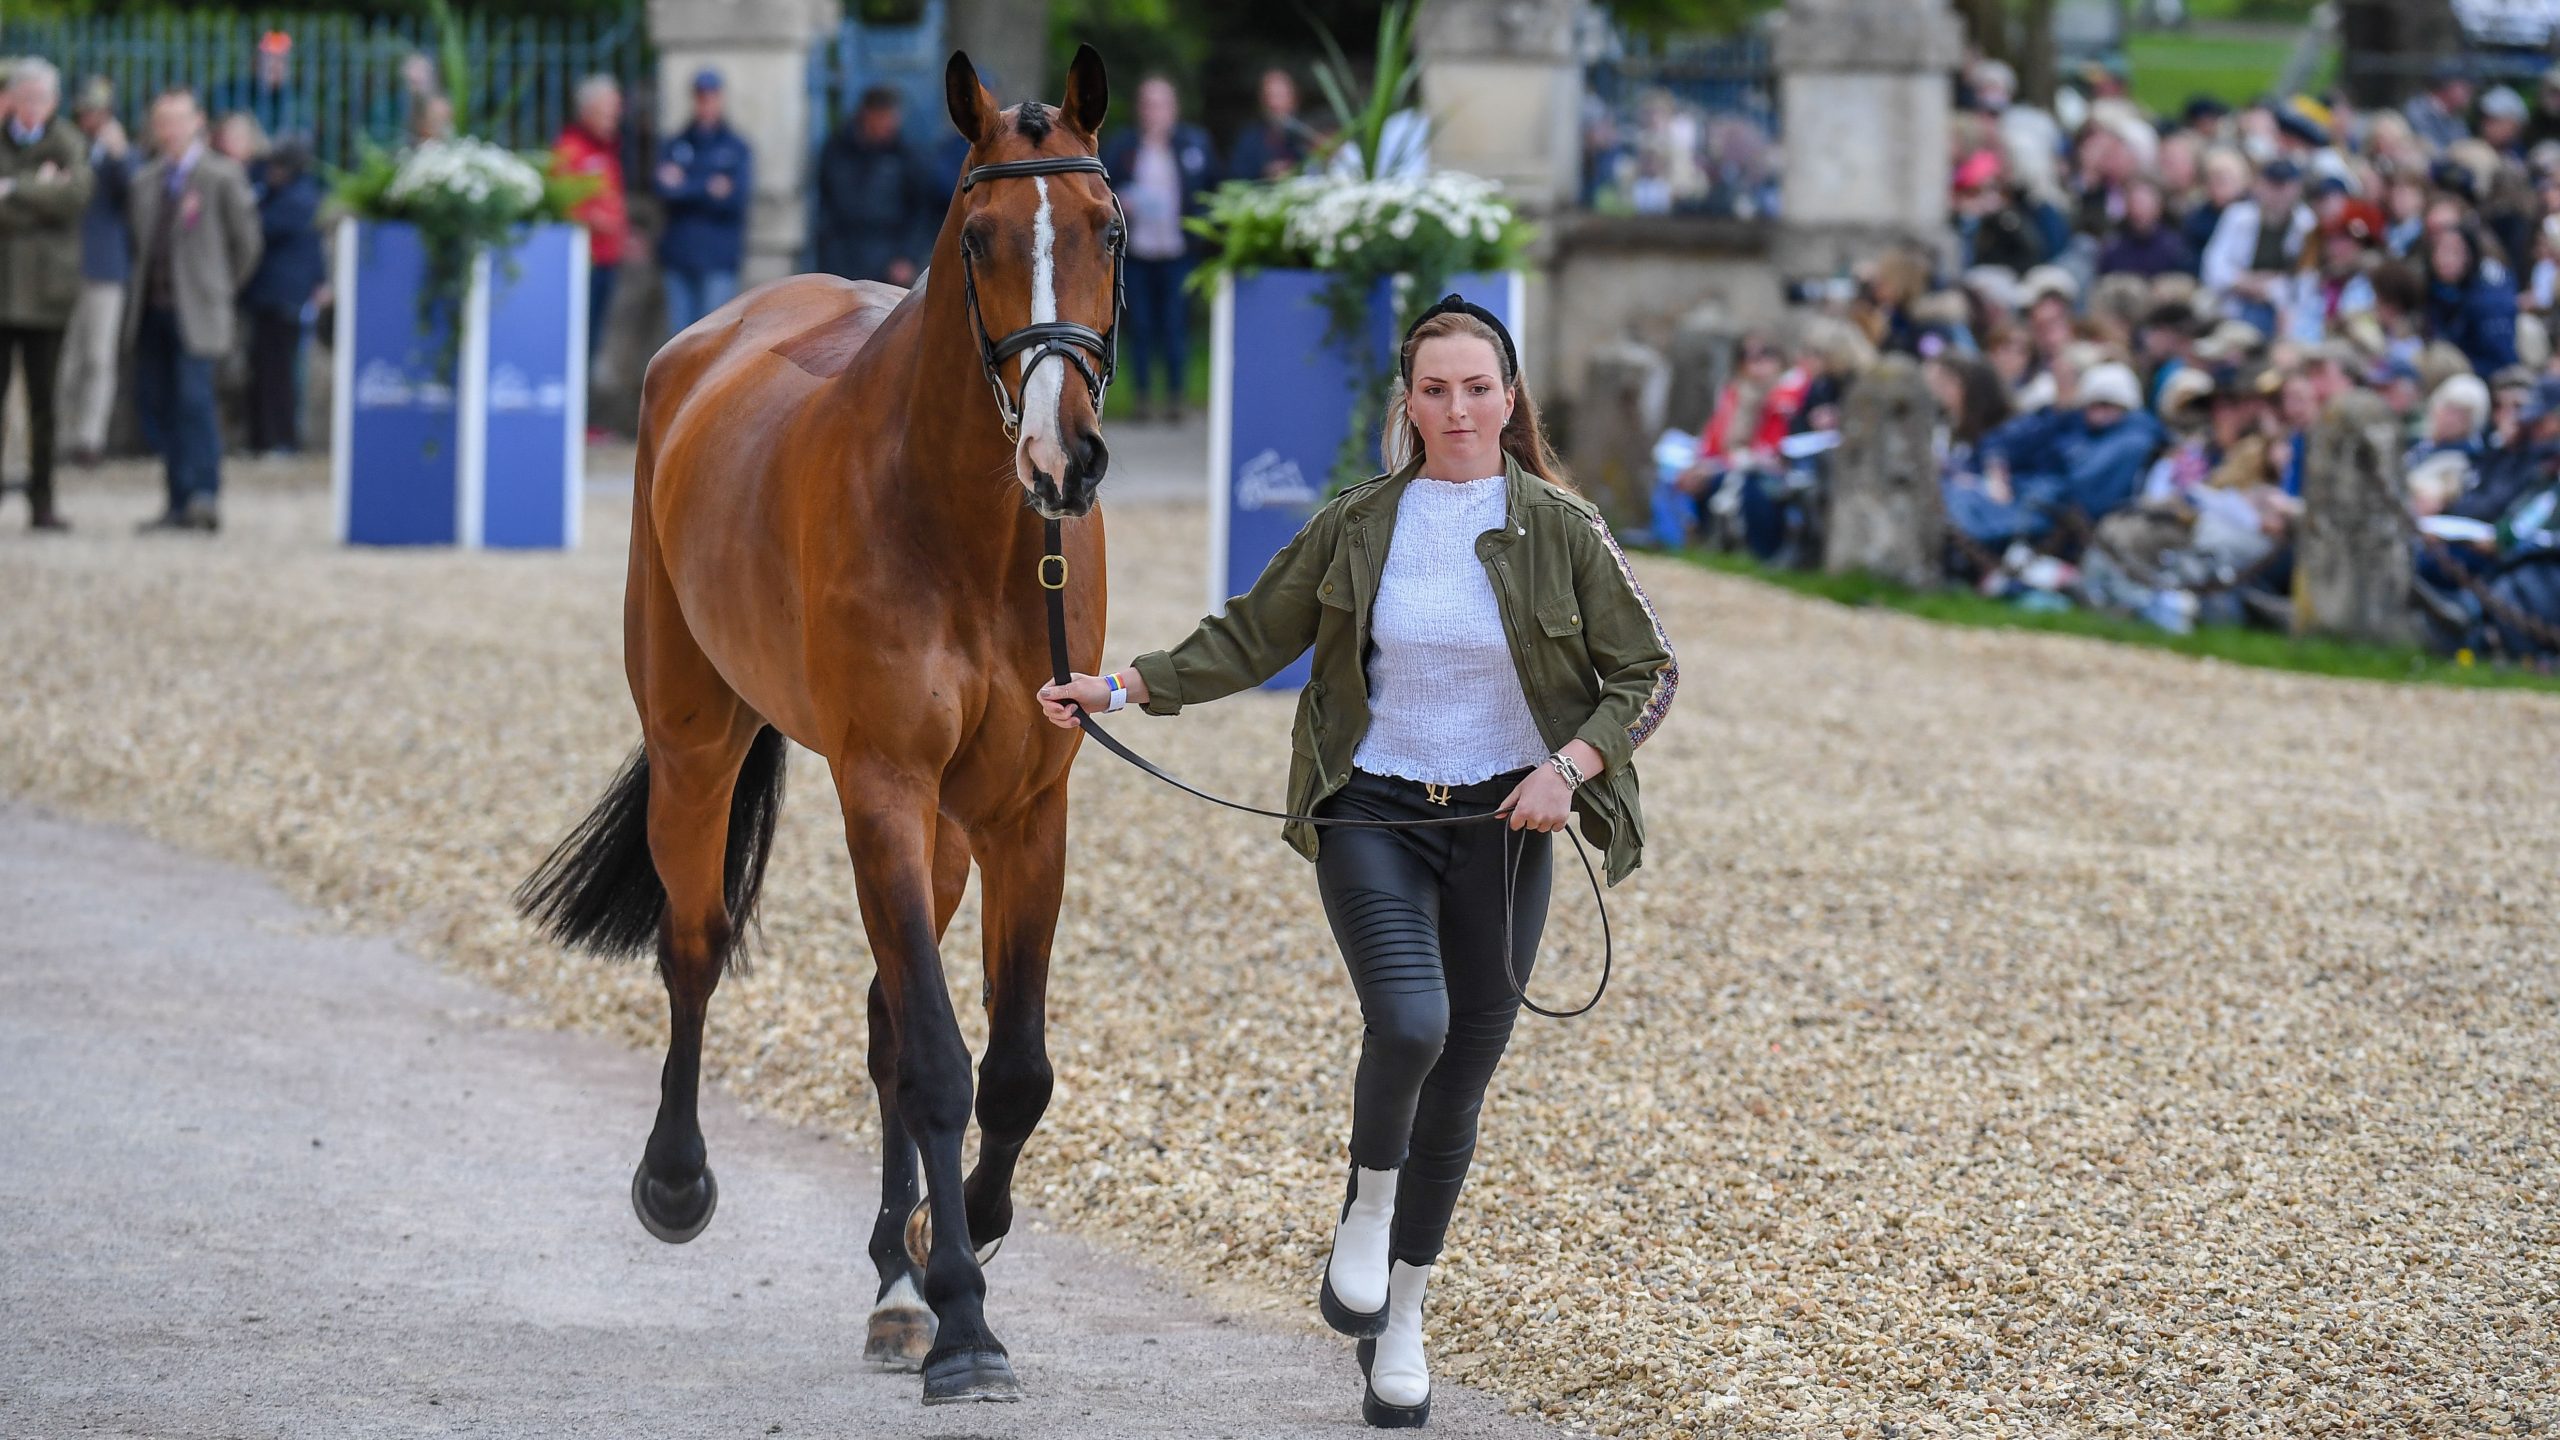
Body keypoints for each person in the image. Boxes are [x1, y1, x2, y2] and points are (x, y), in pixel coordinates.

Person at [1036, 296, 1675, 1431]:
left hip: (1503, 830)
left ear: (1511, 395)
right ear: (1408, 403)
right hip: (1370, 812)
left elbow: (1650, 673)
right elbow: (1250, 633)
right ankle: (1364, 1214)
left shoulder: (1563, 529)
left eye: (1478, 386)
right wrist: (1121, 686)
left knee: (1463, 1083)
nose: (1458, 408)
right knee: (1413, 1025)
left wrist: (1565, 769)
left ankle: (1407, 1319)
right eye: (1435, 389)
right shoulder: (1359, 521)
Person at [126, 87, 260, 533]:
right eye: (162, 121)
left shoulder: (221, 176)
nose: (170, 130)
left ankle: (204, 494)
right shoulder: (146, 181)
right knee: (160, 404)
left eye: (179, 119)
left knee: (195, 403)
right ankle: (176, 498)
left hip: (198, 311)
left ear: (198, 121)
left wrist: (218, 289)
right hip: (153, 310)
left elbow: (247, 246)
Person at [0, 58, 93, 531]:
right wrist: (40, 191)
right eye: (26, 97)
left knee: (44, 404)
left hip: (47, 296)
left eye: (42, 98)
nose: (34, 107)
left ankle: (42, 500)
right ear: (12, 98)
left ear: (54, 102)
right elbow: (53, 202)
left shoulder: (68, 142)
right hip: (3, 292)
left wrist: (13, 190)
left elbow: (75, 199)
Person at [1104, 75, 1218, 423]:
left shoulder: (1193, 144)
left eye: (1161, 104)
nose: (1155, 112)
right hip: (1137, 253)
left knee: (1174, 326)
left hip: (1177, 253)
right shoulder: (1123, 146)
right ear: (1140, 109)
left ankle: (1175, 398)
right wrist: (1121, 202)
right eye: (1148, 104)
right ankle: (1140, 398)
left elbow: (1213, 190)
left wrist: (1198, 228)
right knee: (1139, 327)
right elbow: (1099, 187)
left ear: (1174, 108)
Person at [61, 76, 128, 470]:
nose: (92, 119)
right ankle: (60, 433)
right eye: (87, 111)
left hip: (105, 268)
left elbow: (130, 197)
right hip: (68, 265)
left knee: (99, 358)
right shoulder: (68, 145)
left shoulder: (118, 151)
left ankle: (90, 438)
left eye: (98, 112)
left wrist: (118, 156)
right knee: (65, 359)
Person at [655, 68, 753, 335]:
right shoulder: (676, 143)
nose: (706, 103)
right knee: (679, 339)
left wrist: (686, 184)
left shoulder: (736, 146)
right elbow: (664, 192)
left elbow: (735, 200)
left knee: (712, 339)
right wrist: (708, 186)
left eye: (711, 97)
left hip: (717, 256)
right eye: (701, 97)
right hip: (680, 253)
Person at [242, 136, 322, 456]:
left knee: (279, 374)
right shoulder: (281, 193)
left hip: (284, 298)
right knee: (262, 370)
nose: (271, 170)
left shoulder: (298, 200)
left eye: (278, 165)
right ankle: (262, 439)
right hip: (268, 297)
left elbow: (259, 227)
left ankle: (282, 439)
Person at [813, 86, 940, 286]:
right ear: (867, 115)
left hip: (890, 259)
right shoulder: (837, 150)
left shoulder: (907, 155)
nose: (889, 124)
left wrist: (907, 257)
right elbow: (825, 207)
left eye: (892, 117)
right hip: (843, 258)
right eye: (883, 117)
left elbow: (921, 212)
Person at [552, 75, 629, 366]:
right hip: (584, 261)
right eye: (607, 110)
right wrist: (590, 219)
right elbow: (559, 203)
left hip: (608, 258)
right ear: (587, 110)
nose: (614, 116)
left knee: (594, 338)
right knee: (579, 338)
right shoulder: (570, 147)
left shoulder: (607, 147)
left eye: (615, 110)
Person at [1227, 67, 1314, 182]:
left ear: (1295, 98)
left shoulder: (1309, 134)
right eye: (1270, 96)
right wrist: (1265, 172)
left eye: (1281, 96)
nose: (1274, 104)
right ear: (1262, 101)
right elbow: (1235, 177)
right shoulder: (1249, 138)